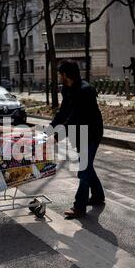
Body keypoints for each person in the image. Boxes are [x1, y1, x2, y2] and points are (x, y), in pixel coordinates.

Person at [50, 60, 105, 219]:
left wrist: (57, 137)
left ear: (65, 75)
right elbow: (63, 113)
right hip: (78, 133)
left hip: (92, 133)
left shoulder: (85, 91)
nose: (59, 77)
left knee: (83, 169)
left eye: (60, 74)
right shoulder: (67, 89)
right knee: (87, 167)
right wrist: (49, 129)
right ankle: (98, 197)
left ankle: (79, 207)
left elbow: (75, 117)